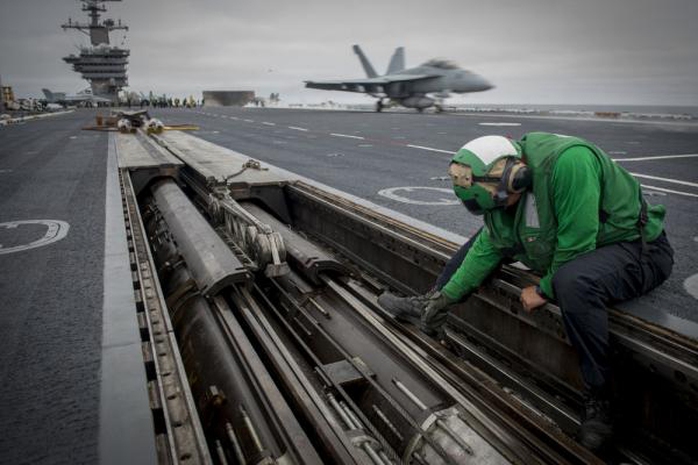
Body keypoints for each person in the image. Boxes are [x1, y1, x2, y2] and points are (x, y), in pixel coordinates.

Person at [378, 132, 673, 452]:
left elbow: (578, 243)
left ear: (517, 178)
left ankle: (603, 398)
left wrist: (544, 290)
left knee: (572, 283)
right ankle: (427, 303)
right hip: (572, 243)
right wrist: (445, 299)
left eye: (500, 202)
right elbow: (489, 246)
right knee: (482, 240)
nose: (499, 211)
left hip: (634, 248)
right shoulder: (500, 186)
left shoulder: (570, 162)